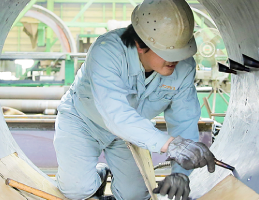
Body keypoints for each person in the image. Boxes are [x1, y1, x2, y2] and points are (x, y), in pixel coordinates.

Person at [53, 0, 216, 199]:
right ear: (140, 44)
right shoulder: (106, 51)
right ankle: (98, 176)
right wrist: (169, 144)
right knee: (76, 190)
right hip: (83, 122)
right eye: (168, 52)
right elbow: (115, 114)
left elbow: (184, 121)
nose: (175, 59)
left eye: (180, 51)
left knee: (136, 196)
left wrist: (181, 174)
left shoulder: (184, 67)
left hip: (132, 132)